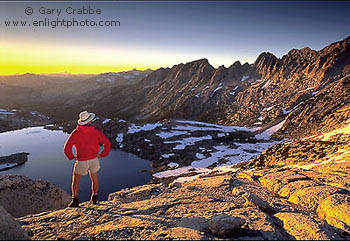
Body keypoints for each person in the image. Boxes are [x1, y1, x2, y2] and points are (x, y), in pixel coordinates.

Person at [64, 110, 111, 207]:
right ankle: (94, 198)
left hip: (81, 161)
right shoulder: (95, 131)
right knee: (94, 179)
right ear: (89, 121)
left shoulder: (76, 133)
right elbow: (107, 143)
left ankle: (75, 200)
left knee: (76, 181)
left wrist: (71, 156)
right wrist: (102, 154)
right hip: (94, 159)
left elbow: (67, 147)